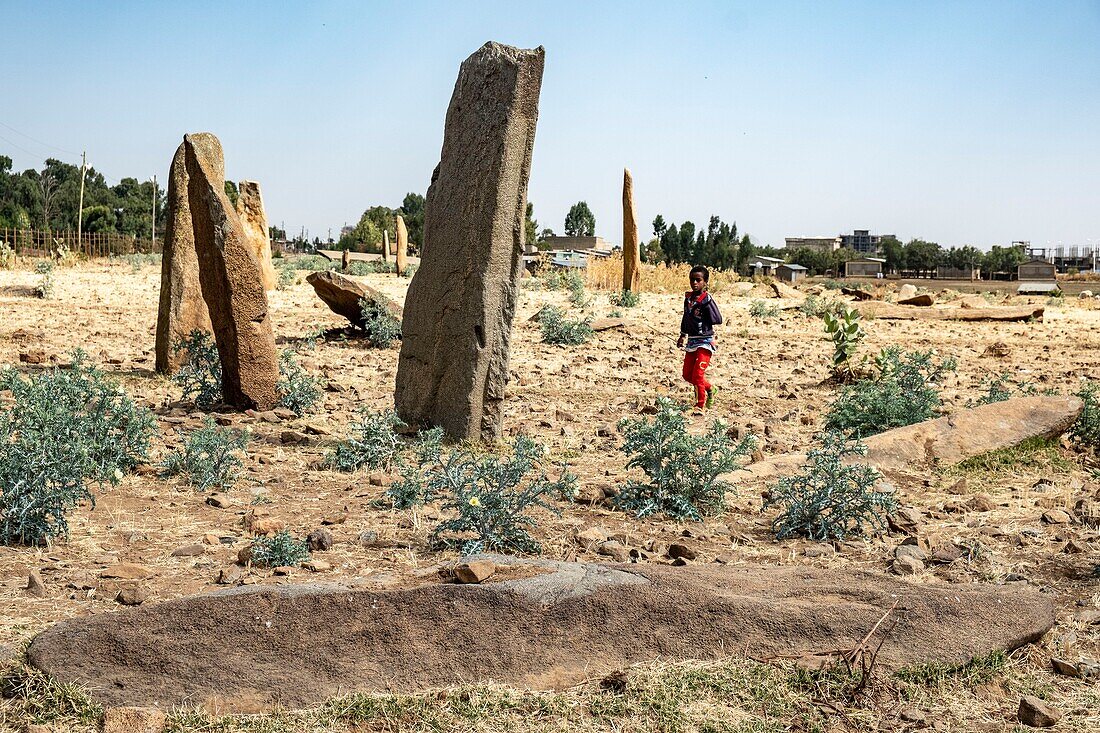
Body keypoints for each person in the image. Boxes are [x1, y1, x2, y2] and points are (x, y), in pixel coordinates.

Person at [676, 265, 722, 413]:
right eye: (692, 280)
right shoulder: (688, 299)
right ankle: (710, 388)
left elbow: (717, 319)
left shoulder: (706, 300)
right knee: (687, 375)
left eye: (698, 280)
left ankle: (699, 405)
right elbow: (686, 318)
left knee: (697, 375)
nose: (694, 283)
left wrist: (704, 315)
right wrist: (682, 335)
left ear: (705, 282)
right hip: (691, 342)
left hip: (705, 342)